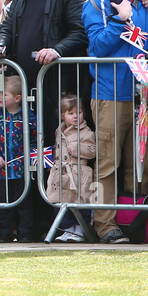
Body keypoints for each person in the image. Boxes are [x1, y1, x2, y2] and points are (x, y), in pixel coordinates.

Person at [0, 0, 88, 165]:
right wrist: (0, 45)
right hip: (25, 86)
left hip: (58, 86)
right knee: (29, 149)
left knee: (55, 148)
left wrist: (57, 50)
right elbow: (7, 26)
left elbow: (80, 32)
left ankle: (53, 198)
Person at [79, 0, 148, 244]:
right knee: (109, 162)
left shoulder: (146, 3)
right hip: (110, 93)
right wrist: (121, 18)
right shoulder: (99, 3)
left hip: (142, 95)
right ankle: (105, 223)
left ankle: (137, 223)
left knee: (140, 164)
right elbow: (96, 48)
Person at [0, 74, 38, 242]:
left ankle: (25, 234)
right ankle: (5, 233)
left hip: (22, 169)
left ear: (17, 98)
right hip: (1, 170)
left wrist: (31, 157)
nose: (0, 96)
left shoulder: (28, 116)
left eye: (4, 94)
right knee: (4, 204)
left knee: (25, 204)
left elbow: (36, 137)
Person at [48, 94, 98, 242]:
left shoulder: (87, 131)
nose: (76, 116)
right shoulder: (59, 130)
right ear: (63, 115)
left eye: (79, 112)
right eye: (71, 113)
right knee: (60, 200)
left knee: (81, 201)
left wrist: (75, 148)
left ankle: (81, 229)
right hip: (61, 172)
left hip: (79, 172)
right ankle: (68, 229)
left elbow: (92, 150)